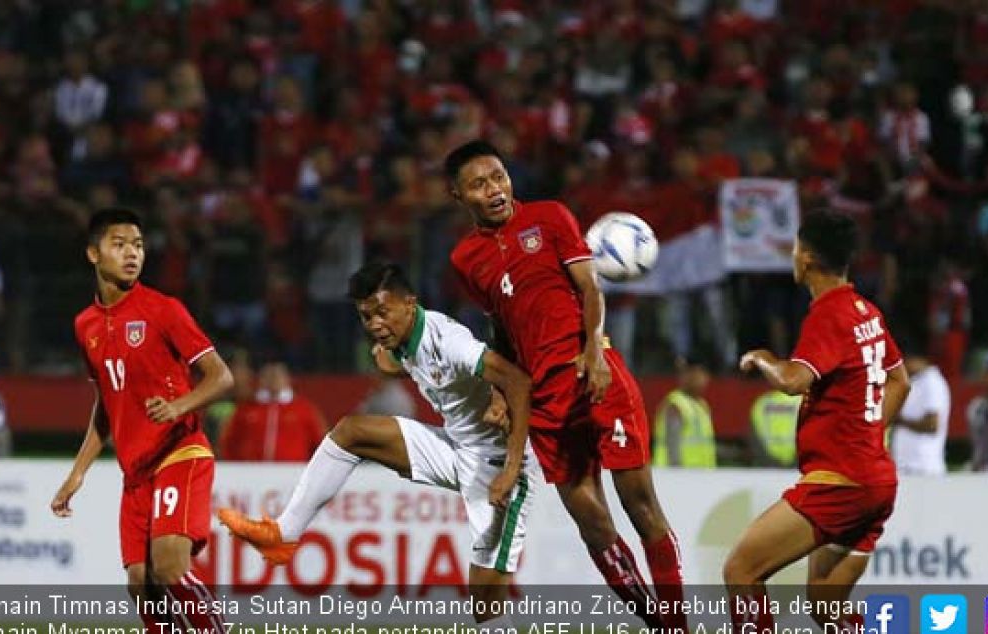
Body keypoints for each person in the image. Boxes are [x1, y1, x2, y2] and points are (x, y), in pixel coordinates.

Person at [445, 140, 688, 632]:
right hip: (544, 401)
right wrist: (500, 391)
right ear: (458, 195)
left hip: (593, 375)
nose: (493, 190)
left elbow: (589, 288)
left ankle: (677, 623)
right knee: (593, 525)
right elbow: (501, 326)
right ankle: (658, 624)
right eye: (478, 184)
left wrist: (594, 351)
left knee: (641, 506)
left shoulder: (550, 217)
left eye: (498, 176)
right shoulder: (466, 259)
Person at [218, 262, 538, 625]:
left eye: (382, 313)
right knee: (352, 432)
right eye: (365, 316)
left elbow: (518, 382)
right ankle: (282, 534)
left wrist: (512, 468)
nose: (374, 325)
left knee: (485, 607)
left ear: (409, 304)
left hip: (496, 463)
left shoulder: (450, 343)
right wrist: (394, 364)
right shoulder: (400, 339)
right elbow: (412, 363)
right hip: (454, 447)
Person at [50, 208, 234, 632]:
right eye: (120, 245)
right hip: (136, 470)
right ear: (93, 254)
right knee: (141, 584)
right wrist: (77, 473)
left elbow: (221, 376)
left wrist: (179, 406)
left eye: (138, 245)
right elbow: (107, 403)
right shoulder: (86, 326)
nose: (132, 254)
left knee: (170, 565)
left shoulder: (163, 309)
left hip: (180, 451)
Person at [728, 210, 910, 633]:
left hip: (841, 482)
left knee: (741, 571)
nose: (791, 256)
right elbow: (900, 381)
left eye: (794, 248)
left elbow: (793, 381)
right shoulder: (867, 311)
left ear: (806, 258)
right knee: (826, 609)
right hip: (876, 480)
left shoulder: (828, 314)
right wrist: (868, 432)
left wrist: (763, 358)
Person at [218, 361, 328, 461]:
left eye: (277, 376)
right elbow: (229, 442)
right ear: (261, 379)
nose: (273, 380)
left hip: (292, 472)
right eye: (268, 376)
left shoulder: (304, 409)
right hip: (251, 472)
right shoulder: (245, 409)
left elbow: (319, 442)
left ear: (287, 379)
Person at [891, 348, 951, 475]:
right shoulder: (916, 381)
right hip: (907, 466)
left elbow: (932, 424)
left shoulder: (932, 382)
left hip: (924, 467)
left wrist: (900, 421)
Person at [653, 359, 717, 468]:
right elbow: (672, 446)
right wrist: (679, 477)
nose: (703, 379)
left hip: (700, 476)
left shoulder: (701, 405)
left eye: (705, 375)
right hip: (679, 477)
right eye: (698, 374)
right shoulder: (676, 405)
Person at [747, 389, 801, 468]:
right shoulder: (805, 401)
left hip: (768, 462)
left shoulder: (763, 402)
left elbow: (753, 435)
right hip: (799, 462)